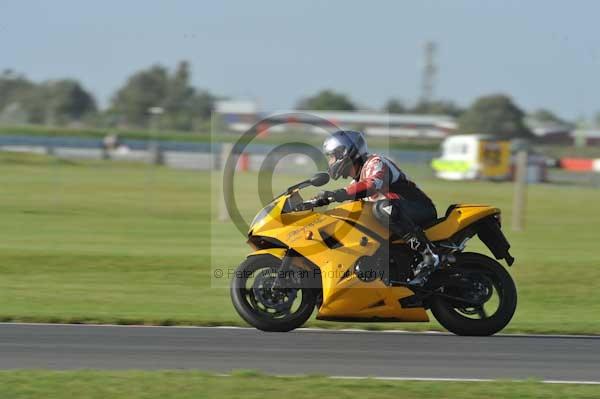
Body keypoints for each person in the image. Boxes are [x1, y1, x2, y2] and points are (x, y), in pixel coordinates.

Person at [313, 130, 440, 286]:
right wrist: (314, 203)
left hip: (417, 207)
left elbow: (372, 184)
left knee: (382, 208)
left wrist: (337, 194)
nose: (331, 162)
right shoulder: (355, 183)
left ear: (345, 153)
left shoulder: (375, 162)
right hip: (399, 216)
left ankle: (429, 254)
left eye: (332, 156)